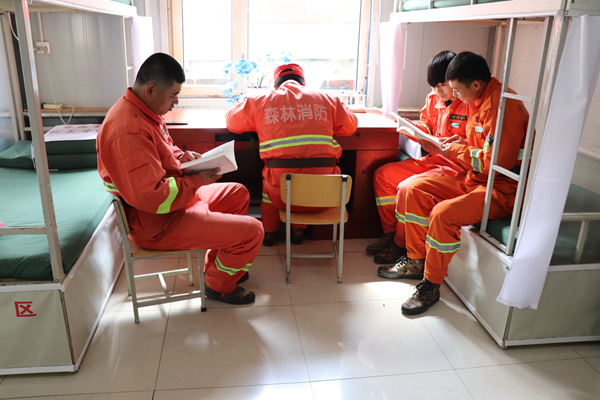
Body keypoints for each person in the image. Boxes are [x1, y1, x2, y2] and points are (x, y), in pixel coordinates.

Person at [97, 53, 264, 305]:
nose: (176, 102)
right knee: (254, 231)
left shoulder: (144, 111)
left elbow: (164, 150)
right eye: (173, 95)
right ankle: (218, 286)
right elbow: (153, 198)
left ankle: (217, 268)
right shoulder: (128, 130)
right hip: (158, 222)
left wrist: (183, 158)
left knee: (237, 193)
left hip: (175, 205)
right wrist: (197, 180)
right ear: (151, 90)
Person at [380, 51, 529, 315]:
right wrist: (459, 142)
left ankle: (431, 285)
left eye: (457, 90)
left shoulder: (501, 108)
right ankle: (416, 260)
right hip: (474, 178)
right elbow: (481, 144)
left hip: (501, 189)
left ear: (475, 84)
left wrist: (453, 150)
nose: (455, 95)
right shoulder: (480, 99)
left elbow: (494, 162)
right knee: (413, 189)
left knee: (442, 214)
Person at [225, 63, 358, 246]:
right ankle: (298, 230)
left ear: (276, 84)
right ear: (303, 82)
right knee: (306, 178)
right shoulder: (327, 99)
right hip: (327, 195)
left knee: (271, 185)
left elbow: (231, 122)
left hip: (281, 196)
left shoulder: (261, 101)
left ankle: (269, 233)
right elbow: (350, 127)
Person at [368, 51, 470, 265]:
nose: (438, 91)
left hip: (456, 167)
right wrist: (413, 129)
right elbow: (427, 124)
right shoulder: (433, 99)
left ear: (454, 80)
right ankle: (390, 233)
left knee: (407, 188)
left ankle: (401, 244)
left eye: (442, 85)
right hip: (434, 159)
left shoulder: (469, 103)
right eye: (434, 86)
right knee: (383, 176)